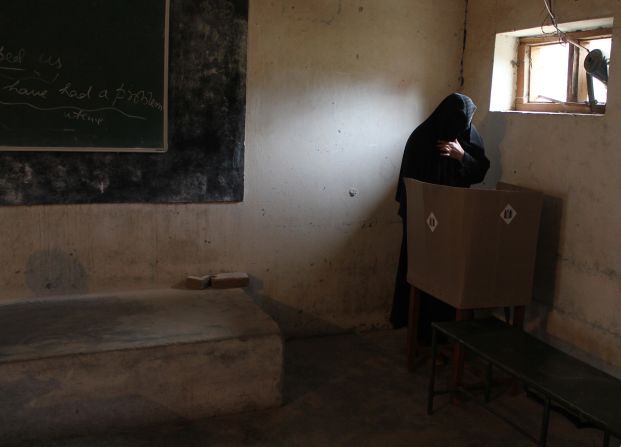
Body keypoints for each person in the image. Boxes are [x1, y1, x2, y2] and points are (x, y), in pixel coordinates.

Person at [390, 93, 490, 344]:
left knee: (448, 279)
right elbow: (409, 186)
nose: (459, 128)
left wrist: (461, 156)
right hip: (422, 222)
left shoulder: (467, 136)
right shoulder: (422, 138)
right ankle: (420, 335)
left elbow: (479, 170)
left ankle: (446, 336)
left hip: (453, 220)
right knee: (422, 278)